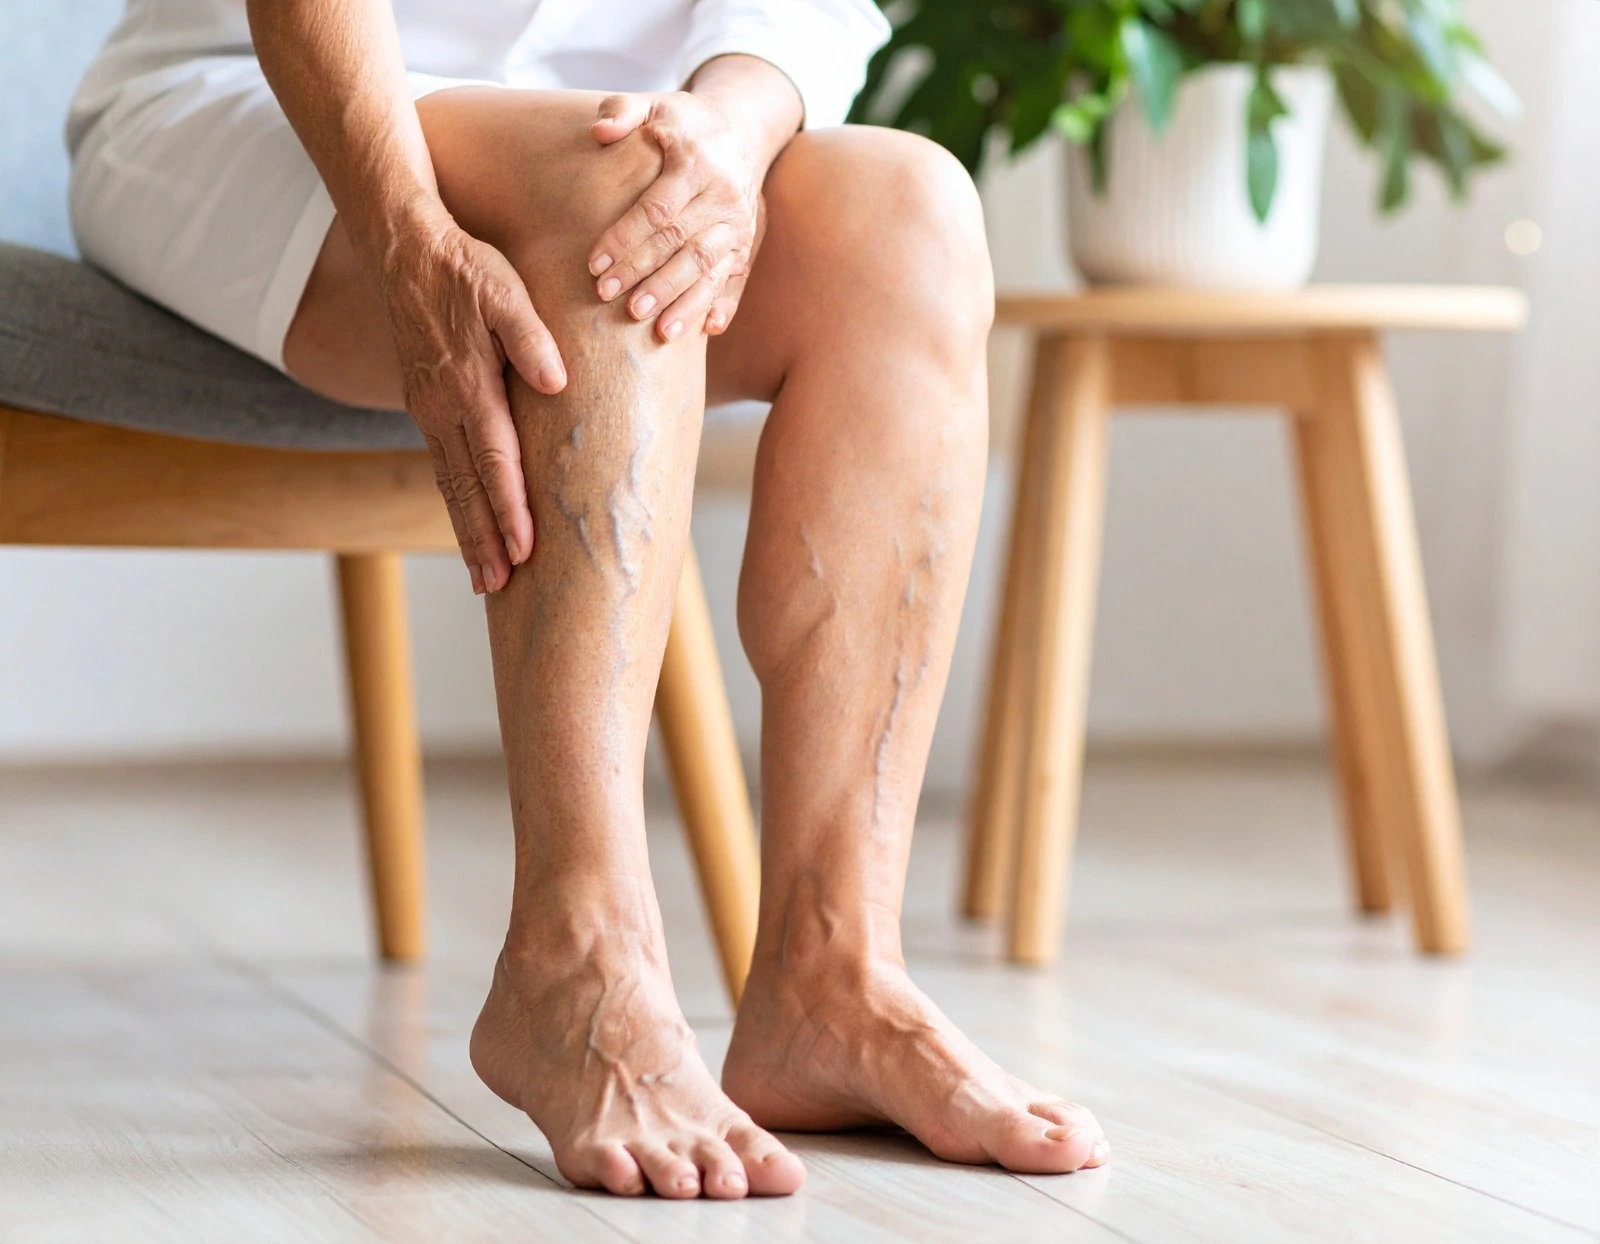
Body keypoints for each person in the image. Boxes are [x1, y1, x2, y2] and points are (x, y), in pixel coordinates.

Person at [67, 0, 1108, 1200]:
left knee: (912, 212)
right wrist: (407, 235)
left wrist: (732, 123)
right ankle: (577, 957)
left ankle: (834, 974)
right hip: (268, 114)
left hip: (644, 127)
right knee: (611, 189)